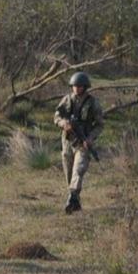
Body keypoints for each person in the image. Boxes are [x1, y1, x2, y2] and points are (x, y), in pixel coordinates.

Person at [53, 72, 104, 214]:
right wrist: (63, 123)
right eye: (74, 86)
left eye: (79, 86)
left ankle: (71, 198)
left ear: (85, 87)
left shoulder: (93, 102)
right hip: (68, 141)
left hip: (83, 141)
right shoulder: (66, 100)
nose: (76, 88)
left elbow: (100, 124)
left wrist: (90, 138)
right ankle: (75, 200)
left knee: (78, 170)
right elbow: (56, 116)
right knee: (69, 172)